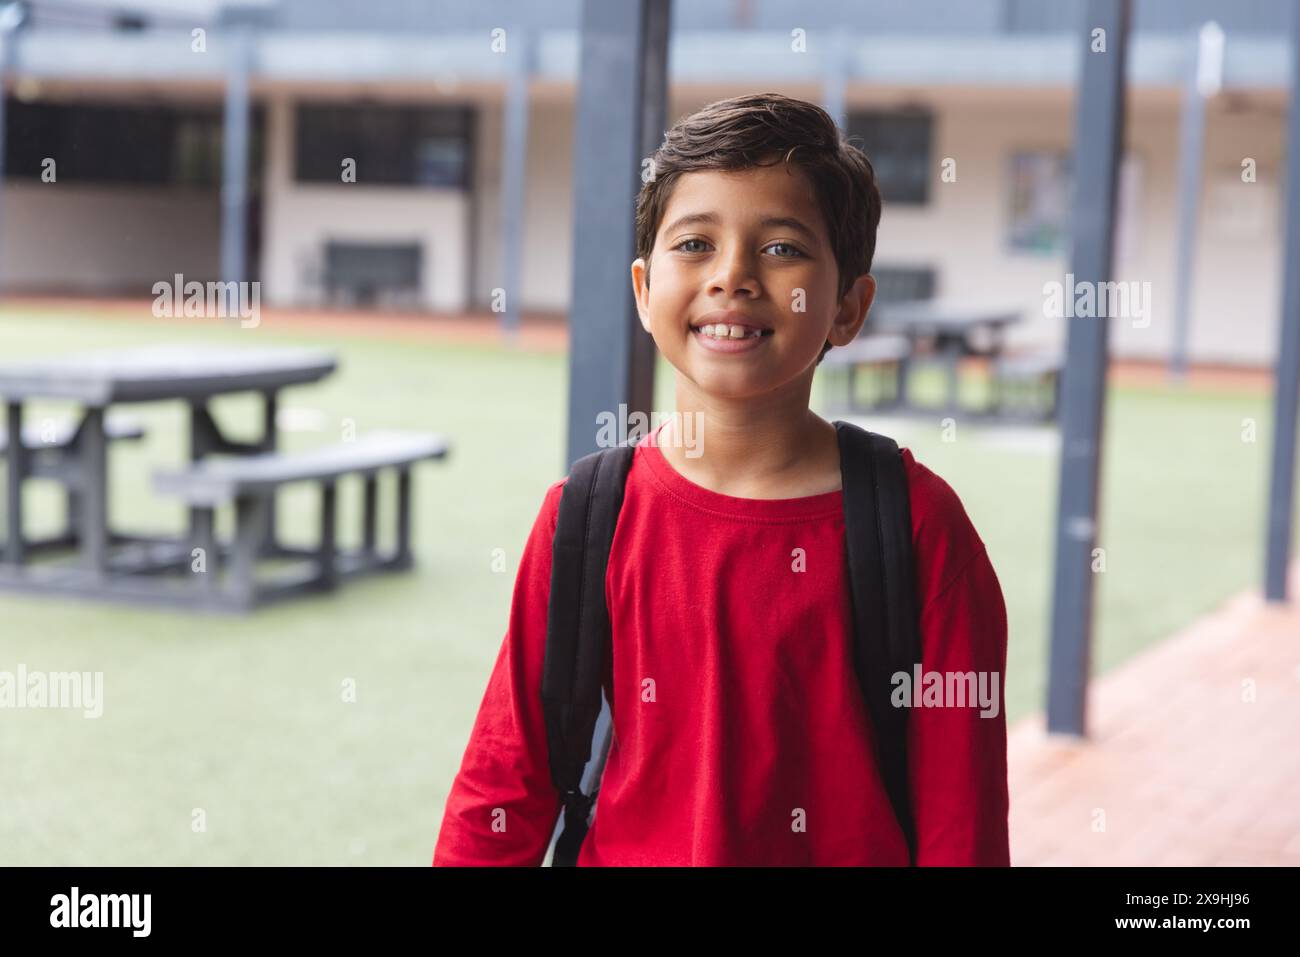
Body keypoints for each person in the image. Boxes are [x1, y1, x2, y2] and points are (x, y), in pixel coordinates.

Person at [433, 92, 1009, 866]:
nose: (731, 276)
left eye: (780, 249)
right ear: (643, 290)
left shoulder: (916, 527)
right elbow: (505, 782)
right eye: (695, 243)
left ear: (848, 306)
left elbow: (961, 826)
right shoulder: (584, 517)